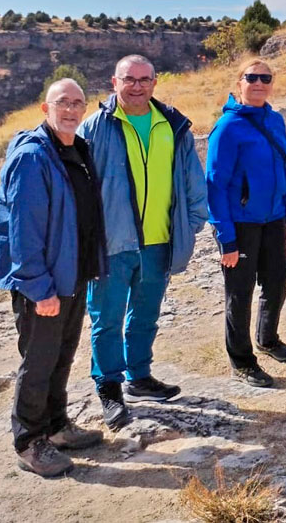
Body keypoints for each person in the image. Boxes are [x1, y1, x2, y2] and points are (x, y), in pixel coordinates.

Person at [78, 54, 208, 429]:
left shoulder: (172, 125)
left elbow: (191, 179)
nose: (136, 86)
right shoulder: (96, 127)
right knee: (107, 318)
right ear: (113, 82)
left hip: (159, 242)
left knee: (146, 313)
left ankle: (139, 375)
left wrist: (193, 221)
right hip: (112, 245)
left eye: (144, 79)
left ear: (154, 82)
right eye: (128, 79)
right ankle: (109, 388)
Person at [0, 78, 106, 477]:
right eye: (63, 103)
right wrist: (39, 288)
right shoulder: (32, 157)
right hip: (44, 284)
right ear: (46, 108)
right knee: (38, 362)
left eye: (78, 103)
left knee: (62, 356)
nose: (71, 109)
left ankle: (56, 426)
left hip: (71, 276)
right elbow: (23, 230)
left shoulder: (75, 149)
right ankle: (29, 441)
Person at [206, 59, 286, 389]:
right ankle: (241, 361)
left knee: (277, 280)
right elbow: (215, 183)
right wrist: (225, 239)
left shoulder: (275, 120)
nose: (259, 82)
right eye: (251, 77)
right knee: (239, 294)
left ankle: (267, 339)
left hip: (272, 219)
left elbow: (282, 171)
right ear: (239, 83)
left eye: (265, 77)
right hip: (240, 224)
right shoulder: (227, 127)